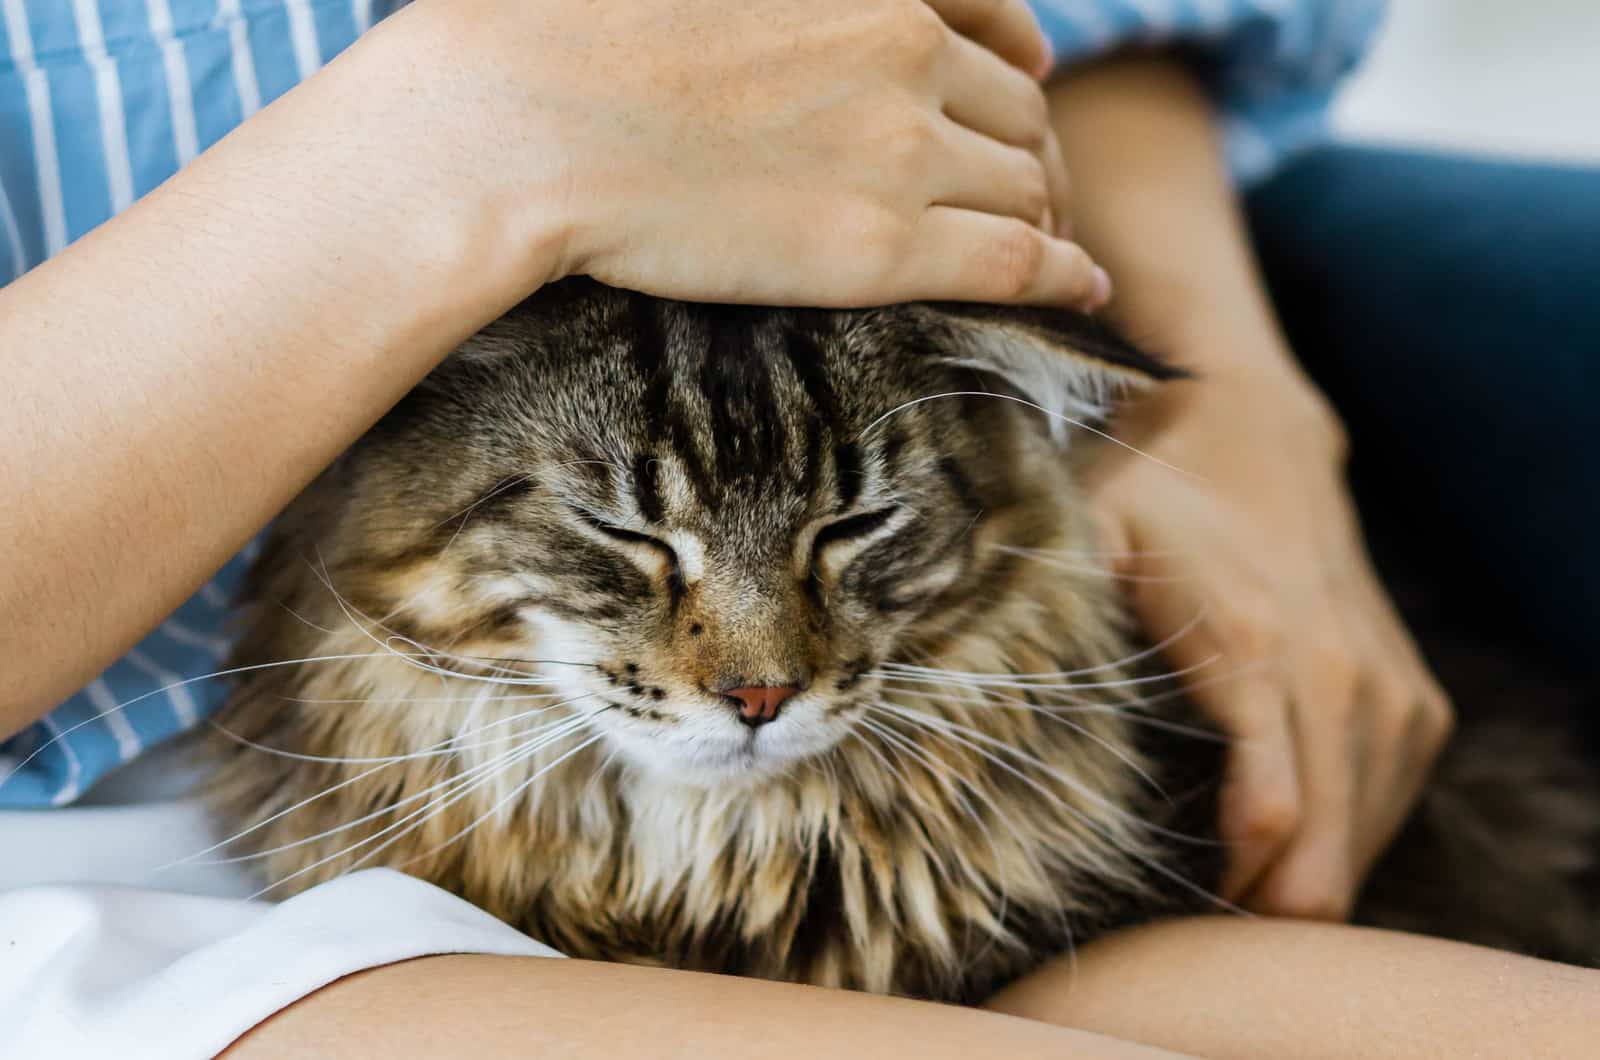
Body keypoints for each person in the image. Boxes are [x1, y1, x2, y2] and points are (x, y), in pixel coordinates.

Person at [2, 0, 1596, 1056]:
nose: (752, 670)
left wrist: (1217, 399)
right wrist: (464, 143)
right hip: (97, 815)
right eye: (643, 560)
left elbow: (1074, 29)